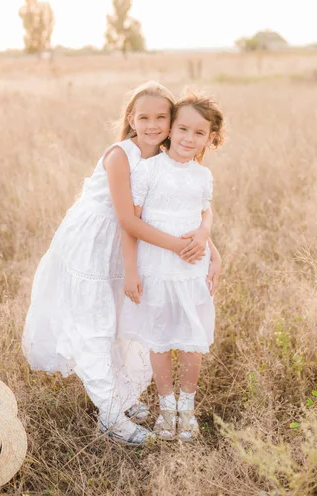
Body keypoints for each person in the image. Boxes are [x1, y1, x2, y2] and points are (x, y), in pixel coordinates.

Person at [22, 81, 222, 446]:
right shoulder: (120, 155)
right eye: (143, 117)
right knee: (96, 322)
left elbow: (186, 207)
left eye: (161, 117)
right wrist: (181, 247)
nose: (152, 124)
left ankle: (124, 396)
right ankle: (111, 415)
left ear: (172, 121)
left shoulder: (166, 158)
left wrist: (208, 245)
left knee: (120, 320)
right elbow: (128, 220)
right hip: (95, 240)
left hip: (133, 244)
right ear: (130, 118)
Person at [119, 89, 224, 442]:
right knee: (161, 338)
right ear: (171, 129)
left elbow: (202, 212)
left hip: (192, 268)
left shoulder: (202, 176)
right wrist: (131, 271)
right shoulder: (148, 171)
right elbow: (131, 224)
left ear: (210, 138)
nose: (188, 139)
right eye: (182, 129)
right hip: (156, 268)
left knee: (193, 338)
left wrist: (211, 244)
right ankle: (166, 409)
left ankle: (187, 407)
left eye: (198, 133)